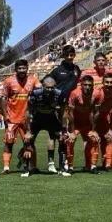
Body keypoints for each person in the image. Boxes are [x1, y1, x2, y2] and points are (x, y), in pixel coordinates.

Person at [20, 77, 70, 177]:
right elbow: (27, 112)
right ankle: (26, 169)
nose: (50, 90)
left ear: (55, 87)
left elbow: (63, 113)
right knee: (28, 140)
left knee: (63, 139)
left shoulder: (60, 94)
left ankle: (62, 168)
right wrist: (28, 131)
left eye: (52, 88)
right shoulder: (34, 93)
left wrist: (64, 129)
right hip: (37, 118)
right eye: (47, 88)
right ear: (43, 86)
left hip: (51, 117)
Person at [0, 59, 41, 175]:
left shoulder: (33, 80)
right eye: (19, 68)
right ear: (15, 69)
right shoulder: (9, 81)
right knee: (9, 143)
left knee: (30, 143)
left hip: (27, 119)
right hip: (12, 119)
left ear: (27, 68)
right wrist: (5, 115)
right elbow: (3, 98)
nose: (22, 70)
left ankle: (33, 167)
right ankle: (6, 167)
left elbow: (40, 91)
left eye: (24, 68)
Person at [48, 45, 81, 173]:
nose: (69, 57)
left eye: (71, 55)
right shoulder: (57, 71)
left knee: (66, 134)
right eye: (67, 55)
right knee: (54, 134)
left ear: (74, 55)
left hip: (71, 106)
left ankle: (66, 161)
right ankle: (51, 163)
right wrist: (53, 100)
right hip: (58, 107)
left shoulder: (77, 69)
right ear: (63, 55)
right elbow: (47, 83)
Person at [66, 75, 97, 173]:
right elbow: (70, 113)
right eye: (85, 85)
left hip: (87, 123)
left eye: (89, 85)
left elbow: (95, 113)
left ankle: (92, 166)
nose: (87, 87)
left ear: (93, 86)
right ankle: (70, 167)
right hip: (75, 123)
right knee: (70, 141)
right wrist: (72, 132)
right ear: (81, 85)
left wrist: (94, 130)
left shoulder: (96, 94)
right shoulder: (74, 93)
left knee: (94, 139)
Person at [92, 73, 112, 172]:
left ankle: (109, 164)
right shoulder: (97, 93)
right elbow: (92, 111)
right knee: (93, 139)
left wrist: (111, 125)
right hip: (92, 120)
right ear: (103, 83)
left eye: (111, 82)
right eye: (107, 82)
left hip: (104, 119)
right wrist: (92, 128)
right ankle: (91, 164)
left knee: (109, 137)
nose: (109, 84)